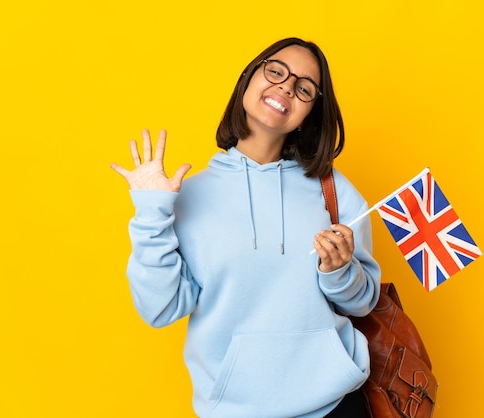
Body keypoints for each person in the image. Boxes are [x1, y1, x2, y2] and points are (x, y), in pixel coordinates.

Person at [111, 37, 381, 418]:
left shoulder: (334, 190)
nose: (286, 86)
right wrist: (152, 214)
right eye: (275, 71)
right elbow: (160, 309)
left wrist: (340, 273)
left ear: (311, 113)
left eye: (304, 88)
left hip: (335, 405)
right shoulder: (188, 196)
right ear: (248, 79)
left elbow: (363, 301)